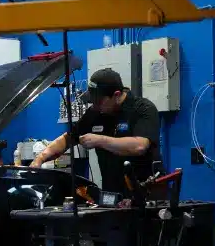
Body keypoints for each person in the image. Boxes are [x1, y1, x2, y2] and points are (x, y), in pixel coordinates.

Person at [30, 68, 161, 195]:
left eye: (99, 102)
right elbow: (67, 139)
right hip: (113, 197)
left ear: (116, 95)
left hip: (146, 195)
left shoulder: (143, 109)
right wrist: (40, 159)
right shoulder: (95, 113)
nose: (95, 106)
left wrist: (100, 140)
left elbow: (140, 146)